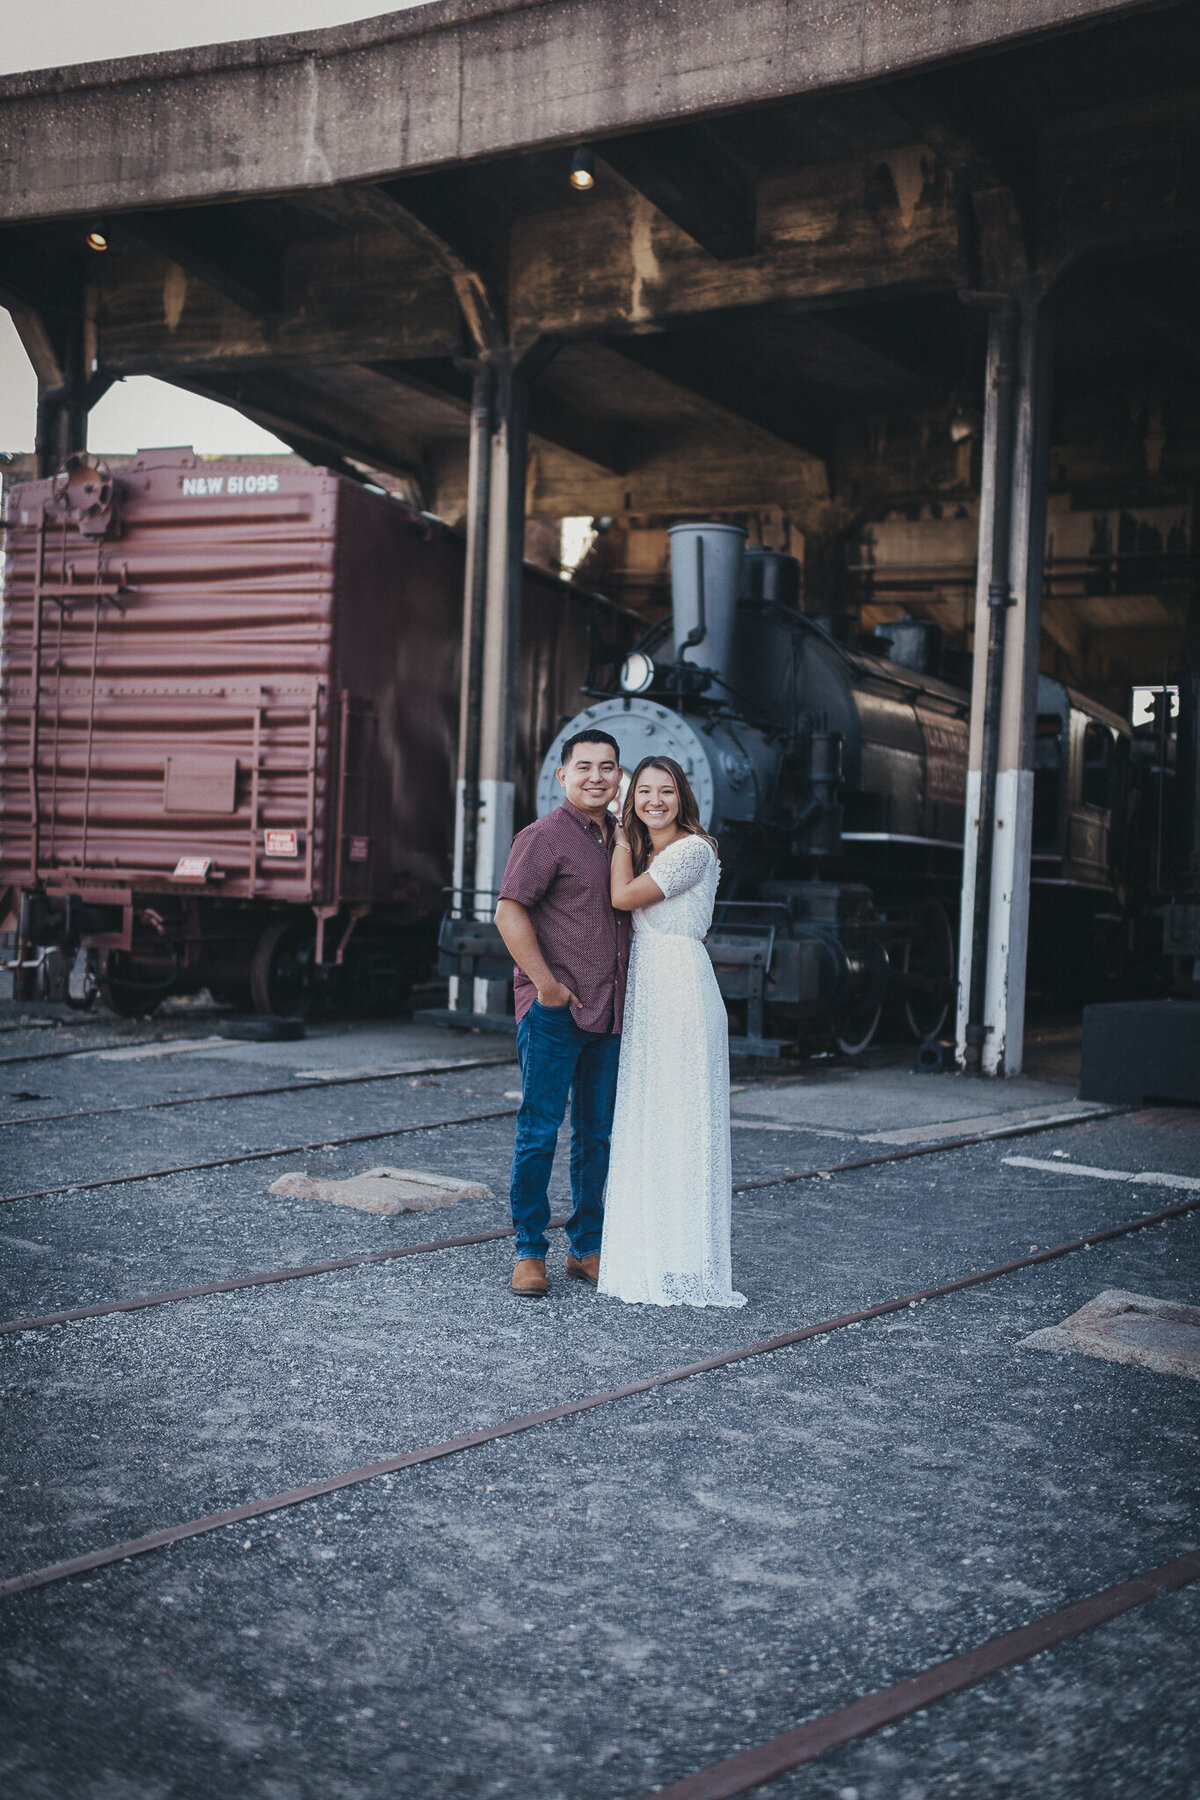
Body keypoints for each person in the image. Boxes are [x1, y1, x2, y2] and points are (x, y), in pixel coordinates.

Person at [598, 755, 745, 1308]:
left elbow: (622, 899)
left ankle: (686, 1261)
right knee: (652, 1119)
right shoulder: (652, 850)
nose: (653, 801)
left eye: (665, 791)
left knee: (681, 1121)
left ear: (682, 796)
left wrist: (616, 836)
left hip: (680, 992)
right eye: (642, 793)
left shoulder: (691, 849)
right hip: (653, 992)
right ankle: (656, 1253)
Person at [494, 730, 629, 1298]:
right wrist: (546, 986)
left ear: (619, 776)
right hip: (555, 1011)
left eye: (608, 767)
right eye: (585, 767)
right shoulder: (543, 835)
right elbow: (508, 912)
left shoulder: (622, 838)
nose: (596, 776)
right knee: (540, 1133)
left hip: (612, 1011)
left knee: (597, 1135)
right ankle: (529, 1251)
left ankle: (587, 1247)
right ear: (563, 775)